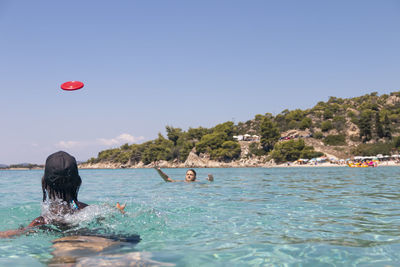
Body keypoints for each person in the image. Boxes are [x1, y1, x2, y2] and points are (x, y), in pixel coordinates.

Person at [0, 151, 125, 238]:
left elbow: (17, 233)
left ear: (45, 184)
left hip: (63, 247)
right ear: (78, 182)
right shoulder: (87, 210)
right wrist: (118, 210)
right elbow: (108, 214)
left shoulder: (44, 220)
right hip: (90, 240)